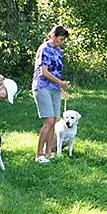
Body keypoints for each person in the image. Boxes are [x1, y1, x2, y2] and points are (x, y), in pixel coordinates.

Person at [32, 25, 70, 164]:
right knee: (48, 122)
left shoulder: (58, 50)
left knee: (54, 121)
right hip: (42, 87)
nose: (62, 42)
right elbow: (44, 72)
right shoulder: (44, 49)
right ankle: (39, 154)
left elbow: (57, 72)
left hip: (54, 88)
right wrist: (61, 83)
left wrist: (61, 87)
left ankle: (49, 153)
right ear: (52, 36)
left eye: (63, 40)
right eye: (60, 39)